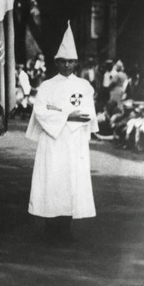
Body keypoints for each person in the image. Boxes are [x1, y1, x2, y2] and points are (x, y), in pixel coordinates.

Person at [26, 23, 97, 243]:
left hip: (73, 142)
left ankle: (65, 227)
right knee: (51, 180)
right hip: (53, 141)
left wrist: (61, 113)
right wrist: (67, 115)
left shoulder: (84, 86)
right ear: (57, 62)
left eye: (71, 61)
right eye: (63, 61)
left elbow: (87, 113)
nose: (67, 65)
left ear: (76, 62)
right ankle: (50, 226)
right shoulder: (47, 86)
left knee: (70, 181)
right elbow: (40, 111)